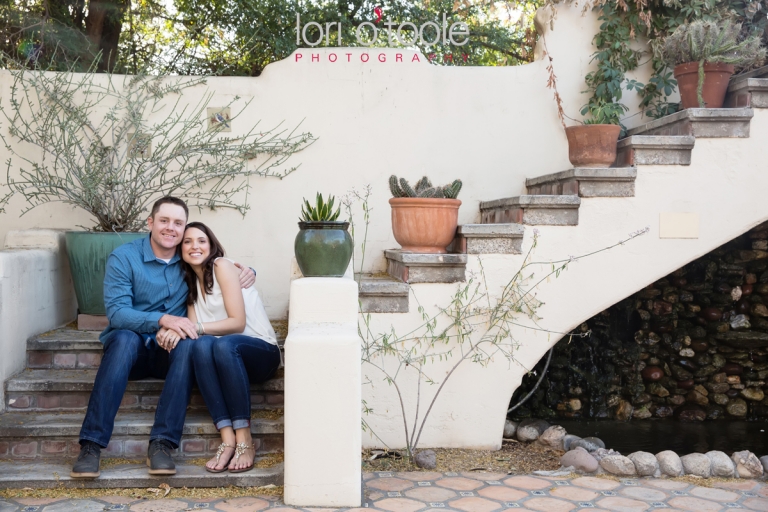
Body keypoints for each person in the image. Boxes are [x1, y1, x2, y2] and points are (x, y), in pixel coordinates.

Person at [71, 196, 257, 479]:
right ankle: (91, 446)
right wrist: (163, 319)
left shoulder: (188, 261)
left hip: (168, 352)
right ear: (151, 223)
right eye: (164, 221)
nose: (171, 228)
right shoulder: (124, 257)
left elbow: (220, 265)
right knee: (123, 339)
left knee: (187, 345)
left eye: (178, 223)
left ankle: (162, 444)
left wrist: (250, 272)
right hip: (129, 353)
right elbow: (118, 313)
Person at [161, 221, 280, 473]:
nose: (195, 246)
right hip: (225, 357)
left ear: (211, 245)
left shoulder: (222, 266)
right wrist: (174, 327)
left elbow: (237, 323)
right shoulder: (191, 283)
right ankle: (227, 440)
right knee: (200, 345)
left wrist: (196, 327)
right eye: (188, 241)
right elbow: (194, 331)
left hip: (261, 353)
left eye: (201, 241)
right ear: (180, 248)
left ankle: (245, 439)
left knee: (223, 344)